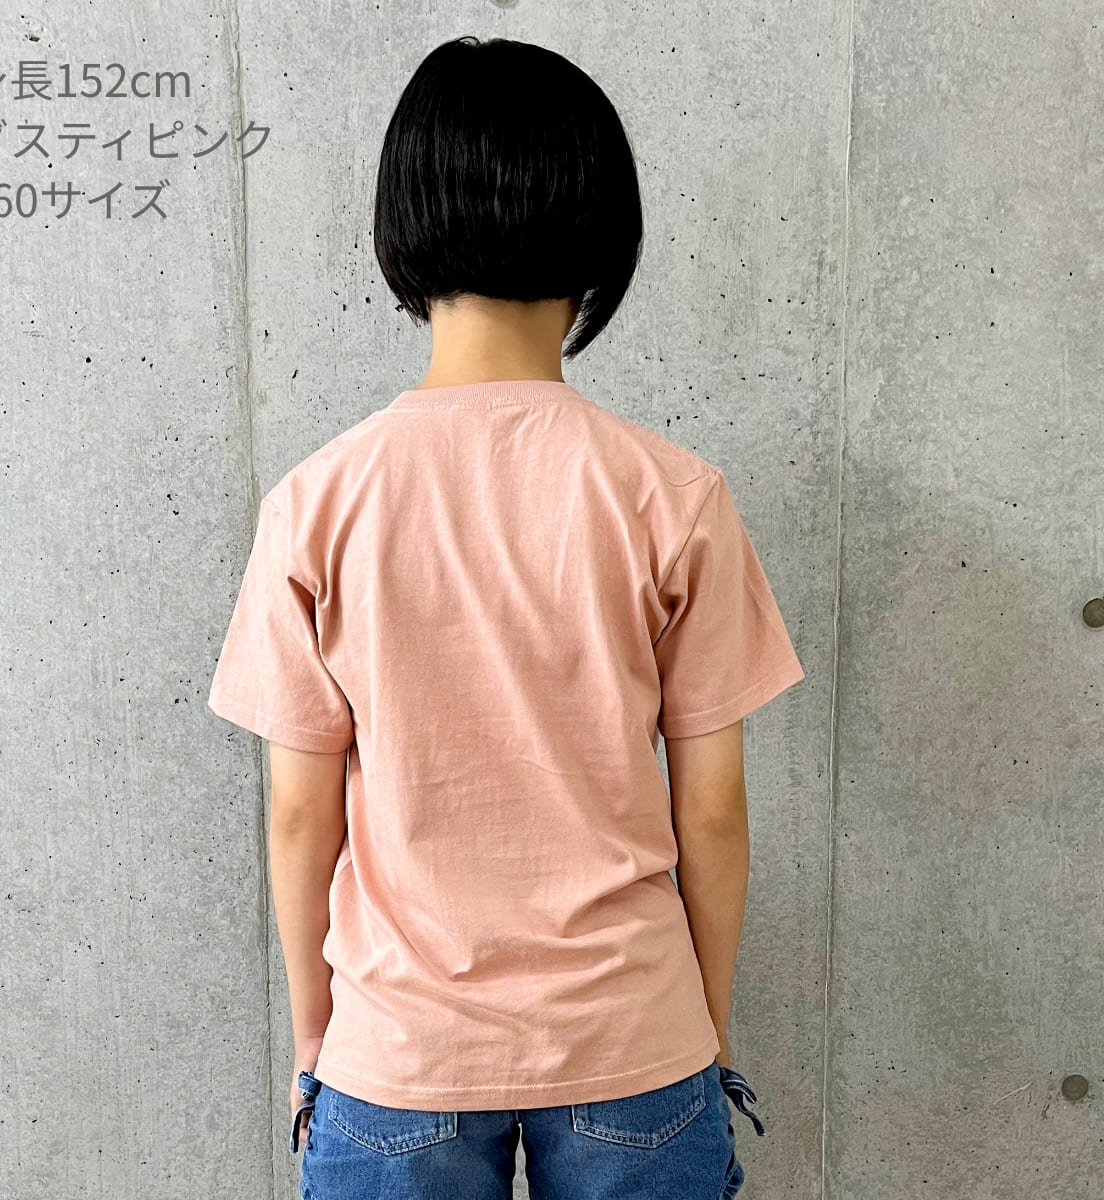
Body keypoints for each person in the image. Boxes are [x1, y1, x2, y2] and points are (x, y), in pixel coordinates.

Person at [207, 34, 804, 1200]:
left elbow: (299, 813)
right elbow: (713, 811)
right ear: (605, 236)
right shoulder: (673, 495)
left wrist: (317, 1038)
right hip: (633, 1033)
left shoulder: (317, 502)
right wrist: (704, 1021)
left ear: (399, 232)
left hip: (398, 1048)